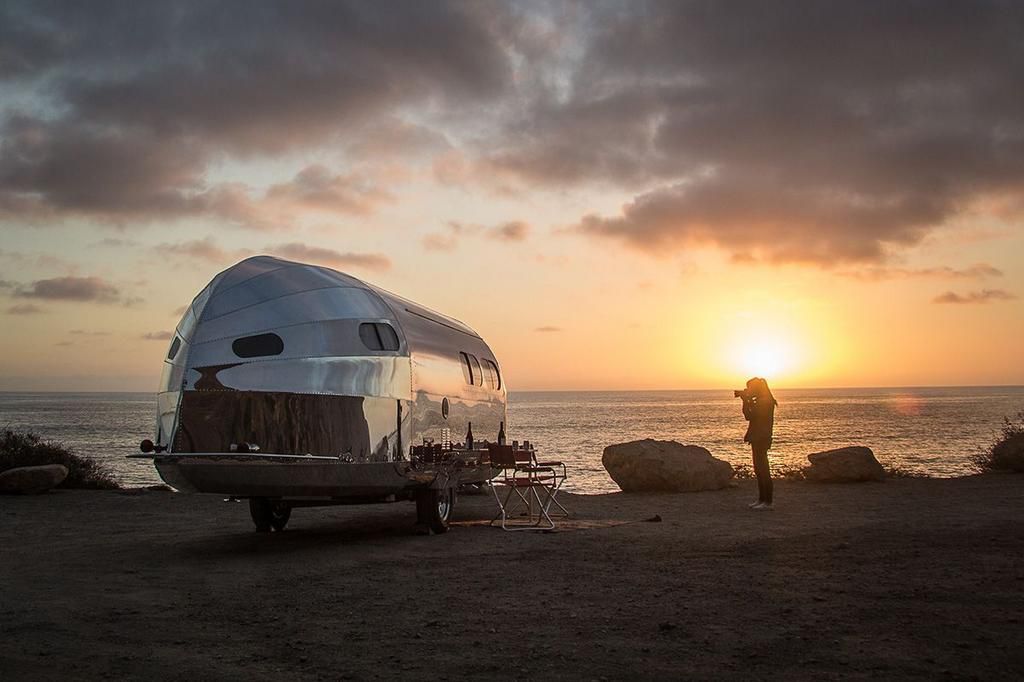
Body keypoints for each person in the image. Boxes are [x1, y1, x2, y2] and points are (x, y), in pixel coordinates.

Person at [739, 377, 777, 510]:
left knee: (763, 469)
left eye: (750, 388)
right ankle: (762, 499)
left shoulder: (765, 402)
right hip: (757, 436)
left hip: (762, 436)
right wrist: (747, 401)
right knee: (758, 469)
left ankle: (768, 501)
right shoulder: (761, 401)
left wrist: (746, 400)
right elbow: (748, 415)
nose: (748, 390)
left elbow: (751, 415)